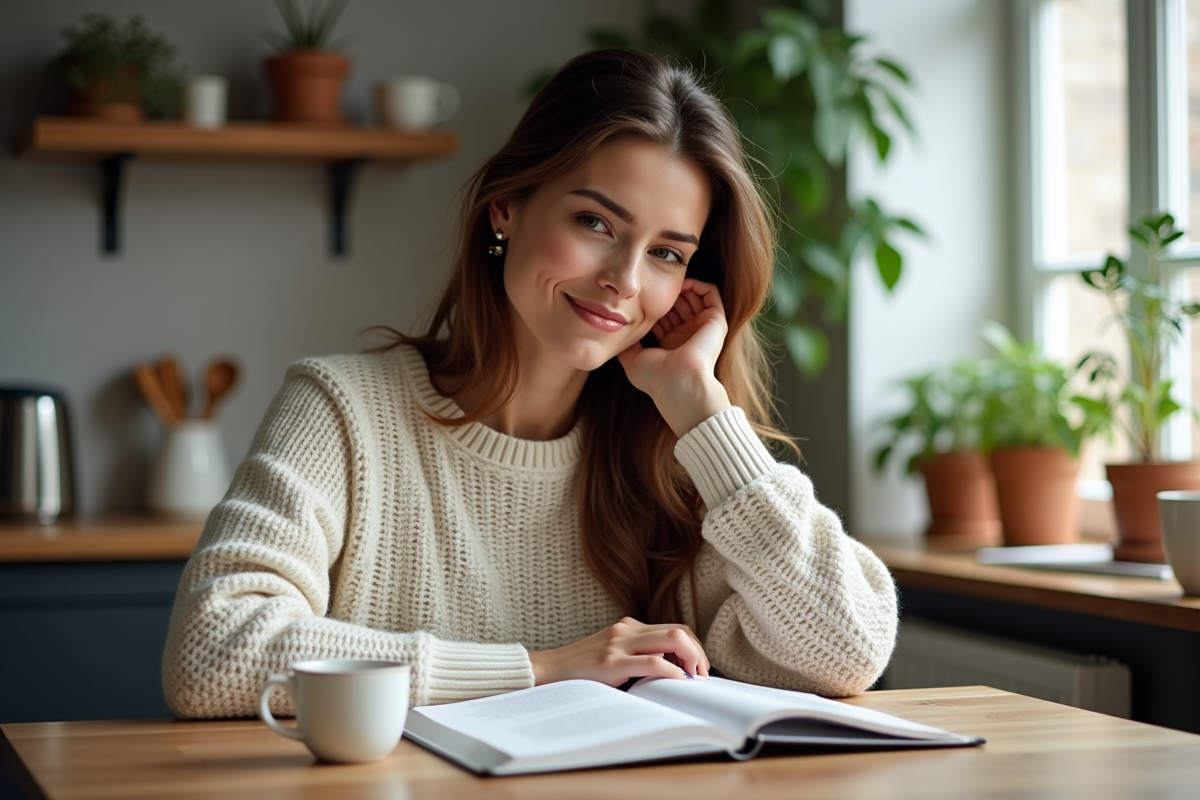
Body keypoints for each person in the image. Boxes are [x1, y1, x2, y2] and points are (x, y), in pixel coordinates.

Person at [162, 48, 898, 719]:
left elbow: (848, 651)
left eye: (668, 255)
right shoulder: (340, 409)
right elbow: (211, 652)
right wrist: (542, 670)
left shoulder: (678, 458)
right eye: (595, 222)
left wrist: (703, 411)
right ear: (507, 208)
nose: (625, 283)